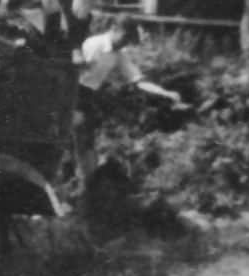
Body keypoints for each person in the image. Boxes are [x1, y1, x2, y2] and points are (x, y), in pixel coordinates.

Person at [74, 15, 185, 184]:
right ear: (114, 29)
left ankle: (88, 185)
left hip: (87, 96)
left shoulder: (118, 55)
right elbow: (73, 71)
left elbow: (137, 80)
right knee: (76, 139)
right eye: (125, 37)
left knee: (86, 142)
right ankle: (78, 181)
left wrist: (165, 92)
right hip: (70, 93)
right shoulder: (93, 44)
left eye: (130, 40)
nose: (126, 43)